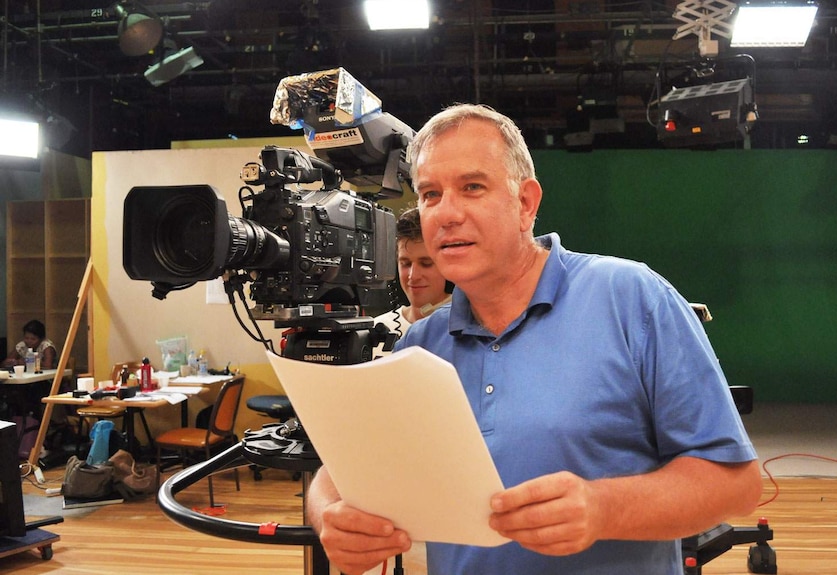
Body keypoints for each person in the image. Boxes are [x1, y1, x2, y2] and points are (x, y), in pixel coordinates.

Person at [306, 104, 762, 575]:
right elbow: (335, 477)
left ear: (525, 203)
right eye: (429, 194)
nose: (446, 214)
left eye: (472, 188)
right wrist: (329, 519)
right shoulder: (420, 347)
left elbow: (735, 482)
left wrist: (603, 507)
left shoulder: (630, 298)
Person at [374, 206, 452, 349]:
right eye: (405, 263)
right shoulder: (375, 329)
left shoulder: (470, 331)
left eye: (426, 264)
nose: (413, 275)